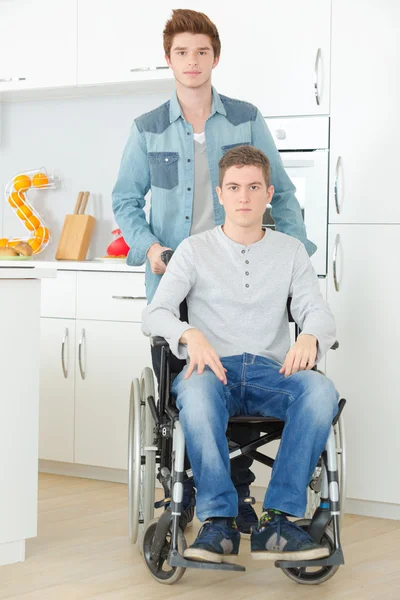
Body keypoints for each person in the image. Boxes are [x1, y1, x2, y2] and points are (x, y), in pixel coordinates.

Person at [112, 8, 317, 536]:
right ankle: (219, 499)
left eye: (202, 51)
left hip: (242, 258)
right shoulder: (148, 128)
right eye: (182, 53)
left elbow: (284, 193)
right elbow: (125, 200)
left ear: (215, 57)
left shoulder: (245, 117)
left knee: (246, 360)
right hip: (177, 276)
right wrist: (152, 248)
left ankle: (241, 498)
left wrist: (293, 252)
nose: (192, 62)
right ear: (168, 60)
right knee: (194, 383)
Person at [142, 145, 338, 564]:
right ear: (220, 193)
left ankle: (279, 519)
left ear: (269, 193)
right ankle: (219, 523)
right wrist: (189, 333)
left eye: (253, 187)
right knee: (192, 393)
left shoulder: (290, 251)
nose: (244, 197)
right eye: (234, 187)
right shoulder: (194, 250)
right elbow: (155, 313)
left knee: (321, 391)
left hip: (272, 371)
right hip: (212, 371)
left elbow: (316, 311)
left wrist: (312, 338)